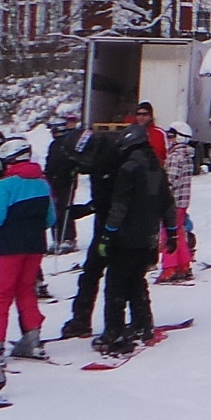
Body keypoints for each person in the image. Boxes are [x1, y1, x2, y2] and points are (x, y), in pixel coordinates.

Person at [95, 117, 168, 354]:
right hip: (147, 236)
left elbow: (121, 205)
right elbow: (166, 201)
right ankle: (142, 324)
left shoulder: (128, 169)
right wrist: (173, 232)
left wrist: (108, 233)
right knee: (137, 281)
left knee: (115, 285)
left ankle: (113, 333)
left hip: (126, 236)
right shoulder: (155, 166)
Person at [58, 126, 121, 341]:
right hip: (104, 222)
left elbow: (115, 199)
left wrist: (91, 208)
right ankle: (81, 320)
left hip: (116, 225)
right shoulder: (99, 160)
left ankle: (119, 325)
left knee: (115, 277)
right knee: (91, 272)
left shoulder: (110, 161)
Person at [0, 137, 53, 362]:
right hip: (36, 245)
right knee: (26, 290)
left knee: (2, 294)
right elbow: (51, 218)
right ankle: (33, 339)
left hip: (11, 246)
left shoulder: (5, 184)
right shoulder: (43, 183)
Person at [156, 121, 196, 283]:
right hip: (182, 201)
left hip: (173, 202)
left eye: (171, 136)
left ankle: (169, 268)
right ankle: (183, 265)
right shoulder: (186, 155)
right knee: (178, 232)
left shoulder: (175, 156)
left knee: (169, 233)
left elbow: (170, 181)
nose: (169, 139)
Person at [44, 109, 83, 252]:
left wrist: (74, 170)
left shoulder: (69, 142)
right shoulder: (54, 145)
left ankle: (68, 238)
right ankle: (57, 238)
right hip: (53, 180)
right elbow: (50, 163)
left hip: (67, 180)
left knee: (65, 208)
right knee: (54, 209)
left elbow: (76, 160)